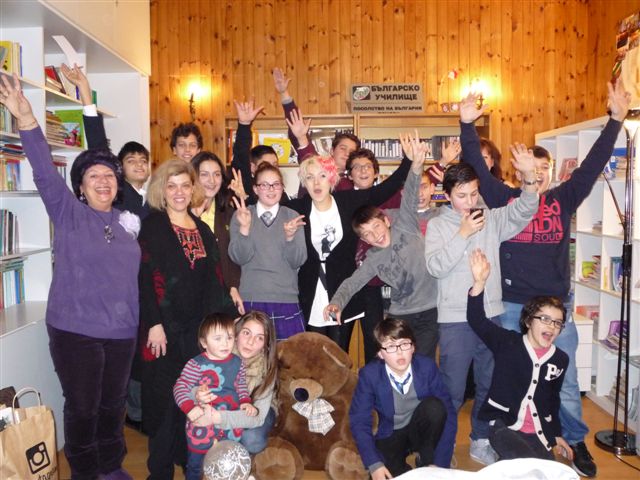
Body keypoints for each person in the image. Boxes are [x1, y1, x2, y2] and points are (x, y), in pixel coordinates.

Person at [458, 80, 630, 477]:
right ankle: (496, 433)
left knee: (565, 380)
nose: (537, 176)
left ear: (549, 173)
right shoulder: (504, 198)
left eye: (542, 170)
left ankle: (576, 441)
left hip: (555, 308)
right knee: (504, 375)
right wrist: (467, 125)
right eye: (530, 171)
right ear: (519, 173)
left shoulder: (563, 198)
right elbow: (478, 169)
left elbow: (591, 165)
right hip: (512, 307)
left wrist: (616, 119)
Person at [0, 74, 140, 480]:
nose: (103, 181)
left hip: (122, 333)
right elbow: (45, 171)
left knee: (113, 406)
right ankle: (86, 472)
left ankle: (110, 466)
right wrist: (27, 119)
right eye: (94, 176)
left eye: (109, 176)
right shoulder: (68, 213)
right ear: (80, 186)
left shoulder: (128, 223)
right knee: (83, 408)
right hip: (76, 332)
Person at [424, 149, 539, 466]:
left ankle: (481, 439)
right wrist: (463, 233)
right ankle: (444, 446)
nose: (469, 201)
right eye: (461, 196)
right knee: (452, 388)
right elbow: (435, 267)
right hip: (455, 319)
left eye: (474, 193)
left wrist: (530, 177)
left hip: (491, 316)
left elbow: (525, 209)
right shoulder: (438, 225)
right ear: (447, 195)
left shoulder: (491, 218)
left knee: (490, 384)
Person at [138, 159, 236, 479]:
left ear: (193, 188)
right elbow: (144, 279)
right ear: (162, 191)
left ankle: (188, 463)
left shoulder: (202, 229)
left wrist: (224, 322)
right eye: (172, 186)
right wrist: (154, 324)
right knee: (164, 404)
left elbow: (214, 281)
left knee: (192, 400)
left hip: (195, 332)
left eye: (184, 185)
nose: (179, 192)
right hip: (163, 332)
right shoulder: (152, 227)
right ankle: (160, 472)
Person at [325, 132, 439, 359]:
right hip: (400, 313)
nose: (375, 235)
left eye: (376, 227)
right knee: (397, 361)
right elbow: (353, 282)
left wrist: (416, 165)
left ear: (386, 221)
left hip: (430, 310)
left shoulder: (405, 224)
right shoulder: (373, 259)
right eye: (367, 234)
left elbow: (410, 193)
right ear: (364, 240)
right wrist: (336, 303)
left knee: (423, 362)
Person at [286, 147, 411, 352]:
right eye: (309, 177)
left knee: (339, 352)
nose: (316, 183)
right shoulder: (298, 208)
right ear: (303, 182)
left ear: (332, 178)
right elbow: (266, 200)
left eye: (322, 176)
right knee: (314, 354)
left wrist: (408, 160)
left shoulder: (349, 201)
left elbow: (384, 190)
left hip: (342, 289)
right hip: (311, 291)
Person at [467, 249, 573, 462]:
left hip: (538, 433)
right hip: (503, 426)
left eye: (557, 323)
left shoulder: (560, 359)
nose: (551, 326)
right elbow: (477, 320)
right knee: (528, 466)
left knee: (548, 471)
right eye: (544, 319)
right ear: (528, 321)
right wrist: (479, 283)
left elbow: (552, 400)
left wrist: (556, 435)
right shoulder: (508, 343)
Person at [349, 318, 457, 479]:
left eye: (405, 344)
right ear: (380, 353)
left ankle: (425, 457)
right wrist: (374, 464)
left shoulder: (427, 367)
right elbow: (359, 420)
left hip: (418, 430)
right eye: (391, 346)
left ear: (413, 347)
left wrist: (440, 463)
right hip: (390, 433)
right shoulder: (370, 375)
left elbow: (449, 415)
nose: (400, 352)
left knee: (435, 407)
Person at [173, 313, 257, 480]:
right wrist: (189, 408)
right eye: (218, 338)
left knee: (228, 462)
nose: (225, 343)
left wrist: (245, 402)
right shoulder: (195, 364)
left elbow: (240, 385)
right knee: (196, 465)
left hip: (228, 422)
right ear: (204, 342)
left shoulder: (237, 362)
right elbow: (180, 387)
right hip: (201, 425)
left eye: (229, 337)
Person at [229, 163, 307, 340]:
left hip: (286, 299)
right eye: (264, 185)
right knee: (251, 355)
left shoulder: (292, 216)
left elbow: (298, 260)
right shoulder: (242, 214)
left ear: (282, 187)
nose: (271, 189)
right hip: (251, 298)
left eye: (276, 184)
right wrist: (245, 228)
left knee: (287, 356)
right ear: (255, 189)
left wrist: (289, 238)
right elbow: (239, 257)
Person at [195, 311, 279, 454]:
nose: (251, 342)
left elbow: (258, 418)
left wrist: (219, 418)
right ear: (236, 333)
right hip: (226, 406)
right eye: (246, 333)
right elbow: (189, 385)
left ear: (266, 344)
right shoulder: (219, 352)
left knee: (252, 440)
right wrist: (197, 394)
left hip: (259, 409)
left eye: (260, 338)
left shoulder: (267, 367)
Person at [190, 151, 244, 314]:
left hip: (222, 294)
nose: (212, 181)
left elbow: (234, 255)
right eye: (204, 174)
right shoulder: (181, 213)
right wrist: (193, 219)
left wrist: (233, 286)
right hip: (190, 293)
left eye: (217, 174)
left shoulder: (228, 213)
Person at [230, 98, 291, 204]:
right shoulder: (244, 185)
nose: (271, 168)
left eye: (275, 165)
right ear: (253, 167)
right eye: (265, 165)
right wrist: (244, 124)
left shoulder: (281, 195)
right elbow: (241, 156)